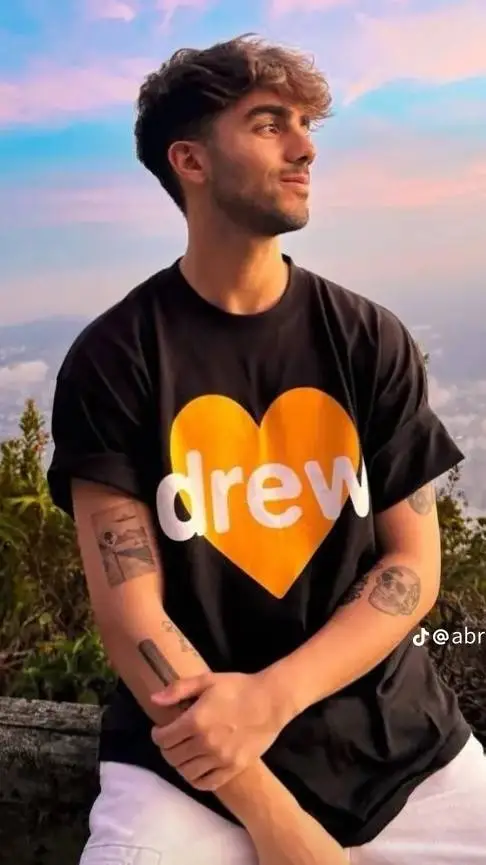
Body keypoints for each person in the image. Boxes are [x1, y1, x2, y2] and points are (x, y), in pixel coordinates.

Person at [47, 35, 486, 865]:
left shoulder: (368, 338)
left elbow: (412, 564)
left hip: (400, 748)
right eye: (269, 123)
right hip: (186, 768)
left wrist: (272, 697)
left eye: (306, 125)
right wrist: (276, 820)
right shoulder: (117, 358)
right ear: (191, 160)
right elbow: (132, 618)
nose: (305, 147)